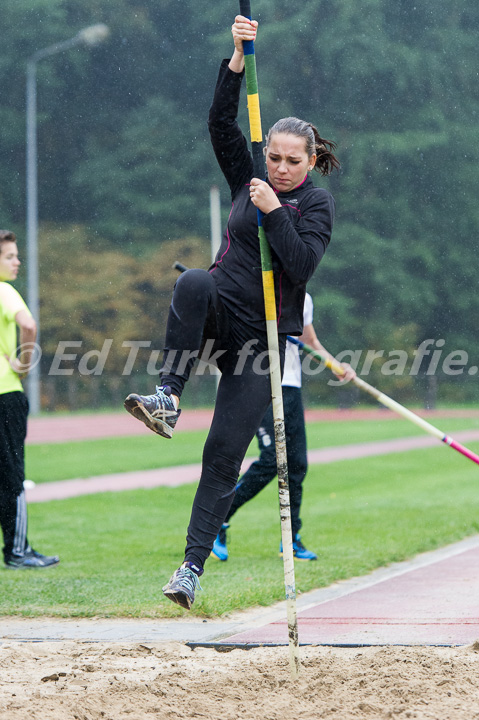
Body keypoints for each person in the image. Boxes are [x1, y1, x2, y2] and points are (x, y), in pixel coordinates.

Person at [124, 15, 340, 609]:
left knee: (223, 453)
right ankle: (168, 395)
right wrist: (237, 59)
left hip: (263, 342)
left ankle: (190, 569)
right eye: (272, 157)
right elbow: (220, 121)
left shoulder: (314, 205)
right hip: (222, 309)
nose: (279, 168)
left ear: (310, 158)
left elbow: (300, 267)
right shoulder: (248, 174)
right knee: (193, 281)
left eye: (292, 160)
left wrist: (274, 209)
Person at [212, 293, 356, 562]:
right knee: (271, 460)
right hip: (258, 383)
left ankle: (290, 540)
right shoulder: (253, 289)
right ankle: (217, 520)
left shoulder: (304, 298)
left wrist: (336, 366)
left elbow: (310, 341)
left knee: (297, 464)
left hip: (291, 386)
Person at [0, 230, 59, 569]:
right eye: (10, 256)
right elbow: (29, 325)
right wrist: (23, 363)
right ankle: (18, 552)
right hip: (6, 395)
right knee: (12, 477)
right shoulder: (5, 291)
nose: (17, 261)